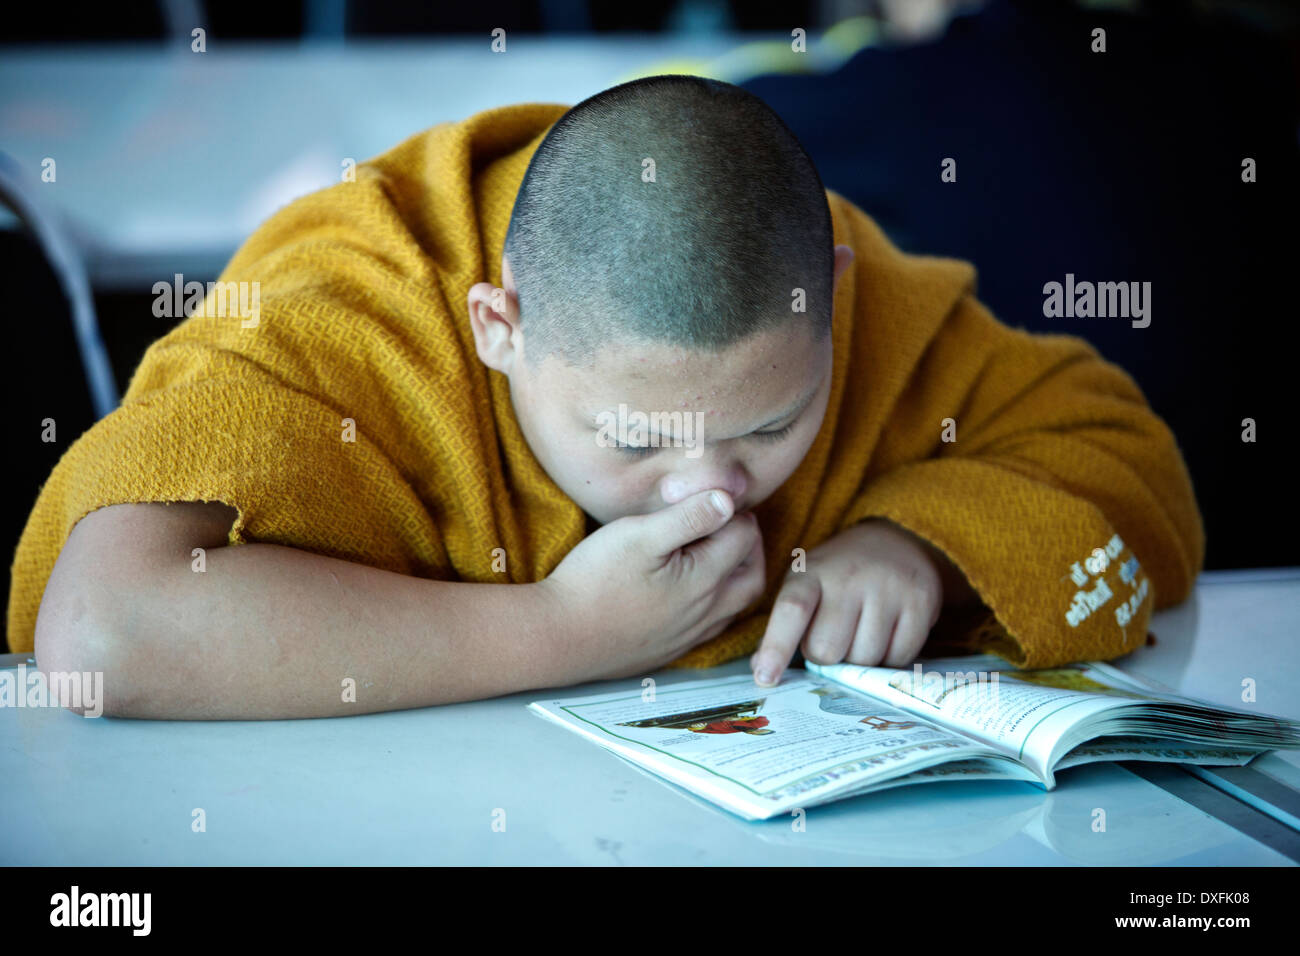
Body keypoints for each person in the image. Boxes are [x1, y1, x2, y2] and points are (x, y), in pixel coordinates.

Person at [12, 75, 1203, 720]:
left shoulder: (835, 286)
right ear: (500, 329)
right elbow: (105, 629)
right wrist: (566, 630)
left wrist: (921, 544)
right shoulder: (353, 313)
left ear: (832, 299)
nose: (712, 492)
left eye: (772, 425)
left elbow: (1121, 449)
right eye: (636, 438)